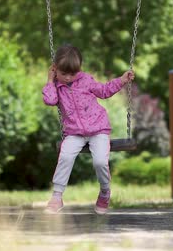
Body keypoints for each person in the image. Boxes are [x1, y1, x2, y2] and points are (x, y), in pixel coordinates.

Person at [42, 44, 135, 215]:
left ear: (79, 69)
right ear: (55, 69)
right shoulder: (56, 86)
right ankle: (57, 197)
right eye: (64, 74)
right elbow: (49, 100)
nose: (69, 78)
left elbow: (104, 91)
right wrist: (50, 81)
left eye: (73, 73)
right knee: (65, 157)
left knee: (100, 161)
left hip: (98, 129)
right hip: (74, 133)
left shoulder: (86, 81)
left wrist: (122, 80)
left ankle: (105, 192)